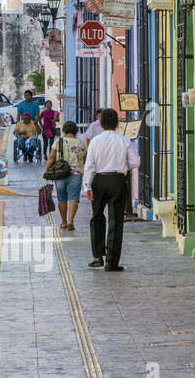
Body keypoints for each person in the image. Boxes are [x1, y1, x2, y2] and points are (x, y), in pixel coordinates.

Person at [82, 107, 140, 271]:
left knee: (97, 217)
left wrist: (87, 186)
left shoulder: (95, 141)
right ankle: (112, 262)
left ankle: (97, 256)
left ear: (100, 124)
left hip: (99, 181)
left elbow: (89, 166)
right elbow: (135, 162)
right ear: (117, 124)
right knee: (116, 221)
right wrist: (124, 166)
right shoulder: (124, 141)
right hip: (117, 181)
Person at [45, 120, 87, 230]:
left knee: (62, 198)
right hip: (76, 173)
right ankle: (70, 221)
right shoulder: (81, 143)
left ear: (64, 131)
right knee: (73, 197)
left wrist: (46, 171)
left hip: (60, 174)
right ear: (76, 131)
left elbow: (51, 157)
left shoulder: (58, 141)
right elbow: (85, 159)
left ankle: (63, 222)